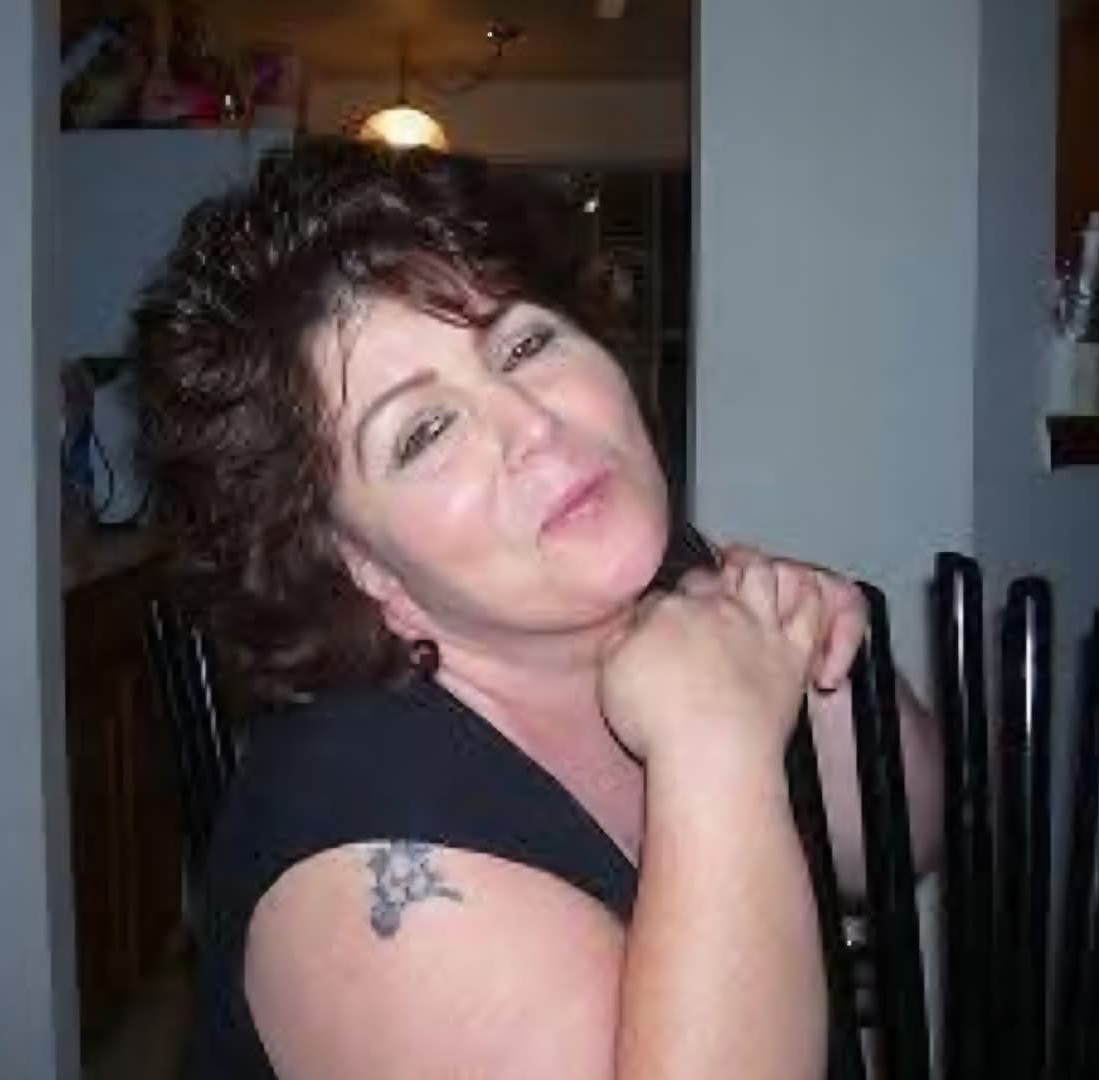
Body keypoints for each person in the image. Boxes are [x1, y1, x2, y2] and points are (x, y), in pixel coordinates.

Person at [132, 139, 942, 1080]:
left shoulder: (666, 579)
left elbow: (900, 846)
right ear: (360, 566)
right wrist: (716, 742)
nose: (534, 425)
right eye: (424, 432)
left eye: (523, 344)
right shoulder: (360, 881)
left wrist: (822, 670)